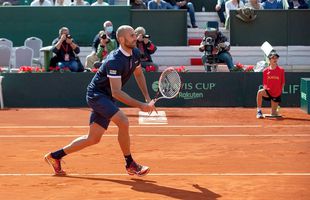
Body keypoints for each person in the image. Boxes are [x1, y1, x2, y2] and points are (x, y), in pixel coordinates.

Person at [44, 25, 155, 176]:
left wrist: (147, 97)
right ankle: (130, 164)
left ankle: (55, 156)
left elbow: (138, 73)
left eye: (135, 35)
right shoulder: (114, 60)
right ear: (122, 39)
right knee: (123, 121)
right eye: (131, 36)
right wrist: (141, 105)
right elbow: (116, 92)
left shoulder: (135, 53)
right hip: (97, 95)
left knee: (93, 138)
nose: (135, 38)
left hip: (106, 96)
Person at [256, 51, 285, 118]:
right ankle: (259, 111)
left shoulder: (281, 70)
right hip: (268, 92)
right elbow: (264, 83)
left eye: (276, 58)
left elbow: (283, 82)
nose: (275, 59)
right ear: (269, 60)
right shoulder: (265, 71)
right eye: (273, 58)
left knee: (273, 114)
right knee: (260, 92)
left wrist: (279, 92)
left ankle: (276, 109)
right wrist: (266, 89)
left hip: (277, 93)